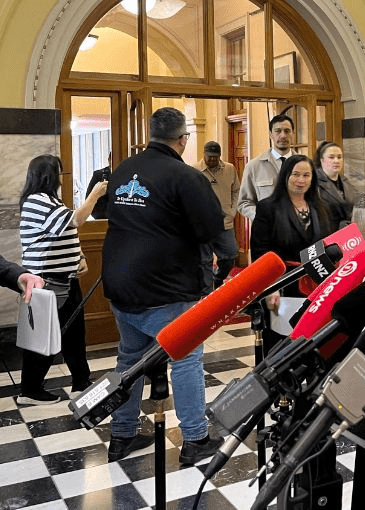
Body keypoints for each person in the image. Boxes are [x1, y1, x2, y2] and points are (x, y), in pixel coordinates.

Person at [102, 107, 225, 463]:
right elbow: (209, 229)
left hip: (121, 282)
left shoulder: (124, 169)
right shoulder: (184, 176)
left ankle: (122, 434)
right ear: (183, 139)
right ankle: (196, 438)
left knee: (129, 357)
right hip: (165, 286)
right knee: (185, 359)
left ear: (151, 134)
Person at [17, 154, 107, 405]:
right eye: (59, 172)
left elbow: (65, 231)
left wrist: (80, 256)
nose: (62, 177)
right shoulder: (37, 201)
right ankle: (30, 390)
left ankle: (81, 382)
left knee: (74, 335)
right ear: (48, 176)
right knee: (43, 337)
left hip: (63, 279)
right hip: (47, 282)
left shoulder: (50, 200)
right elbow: (76, 220)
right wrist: (95, 194)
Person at [251, 154, 333, 351]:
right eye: (295, 174)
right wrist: (270, 289)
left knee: (310, 343)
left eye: (306, 175)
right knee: (280, 344)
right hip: (282, 285)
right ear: (285, 176)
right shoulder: (268, 208)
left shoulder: (321, 208)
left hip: (315, 284)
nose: (300, 180)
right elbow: (260, 252)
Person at [193, 141, 239, 290]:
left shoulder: (230, 169)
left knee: (230, 255)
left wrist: (232, 210)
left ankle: (218, 278)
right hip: (203, 224)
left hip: (225, 222)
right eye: (209, 156)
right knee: (205, 260)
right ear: (204, 155)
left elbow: (236, 191)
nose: (212, 159)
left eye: (215, 156)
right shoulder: (194, 170)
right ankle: (207, 292)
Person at [237, 113, 295, 223]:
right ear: (270, 135)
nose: (283, 135)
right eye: (278, 131)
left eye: (287, 131)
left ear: (293, 134)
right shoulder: (253, 166)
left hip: (298, 229)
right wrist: (262, 216)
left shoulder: (305, 165)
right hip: (266, 229)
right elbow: (244, 203)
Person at [314, 140, 356, 229]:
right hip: (324, 233)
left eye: (339, 157)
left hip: (345, 232)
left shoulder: (346, 182)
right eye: (331, 157)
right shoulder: (314, 182)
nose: (336, 161)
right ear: (322, 160)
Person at [85, 151, 112, 219]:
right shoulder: (99, 174)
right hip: (101, 215)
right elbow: (88, 197)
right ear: (109, 159)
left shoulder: (125, 174)